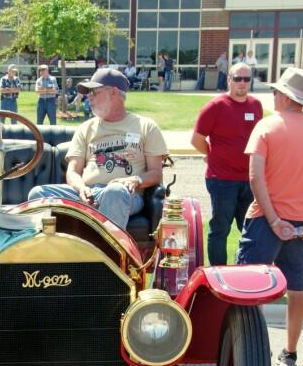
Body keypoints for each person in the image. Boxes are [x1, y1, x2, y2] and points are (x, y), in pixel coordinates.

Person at [237, 67, 303, 366]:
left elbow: (256, 178)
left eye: (275, 92)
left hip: (265, 220)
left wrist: (272, 221)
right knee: (298, 289)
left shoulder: (266, 127)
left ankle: (245, 353)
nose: (272, 96)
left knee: (246, 289)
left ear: (284, 96)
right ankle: (291, 352)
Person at [28, 68, 167, 231]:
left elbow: (156, 174)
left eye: (94, 92)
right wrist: (81, 189)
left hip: (124, 195)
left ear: (114, 92)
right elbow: (72, 171)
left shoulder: (145, 126)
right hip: (87, 194)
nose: (89, 96)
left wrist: (136, 180)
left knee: (114, 192)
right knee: (38, 194)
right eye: (88, 93)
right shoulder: (86, 127)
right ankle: (55, 252)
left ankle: (105, 254)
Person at [191, 63, 263, 265]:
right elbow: (196, 140)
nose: (242, 83)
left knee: (250, 228)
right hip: (221, 180)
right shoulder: (215, 106)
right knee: (220, 228)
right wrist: (212, 155)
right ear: (228, 79)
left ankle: (247, 270)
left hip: (249, 179)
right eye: (237, 78)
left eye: (246, 79)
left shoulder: (255, 105)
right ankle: (218, 273)